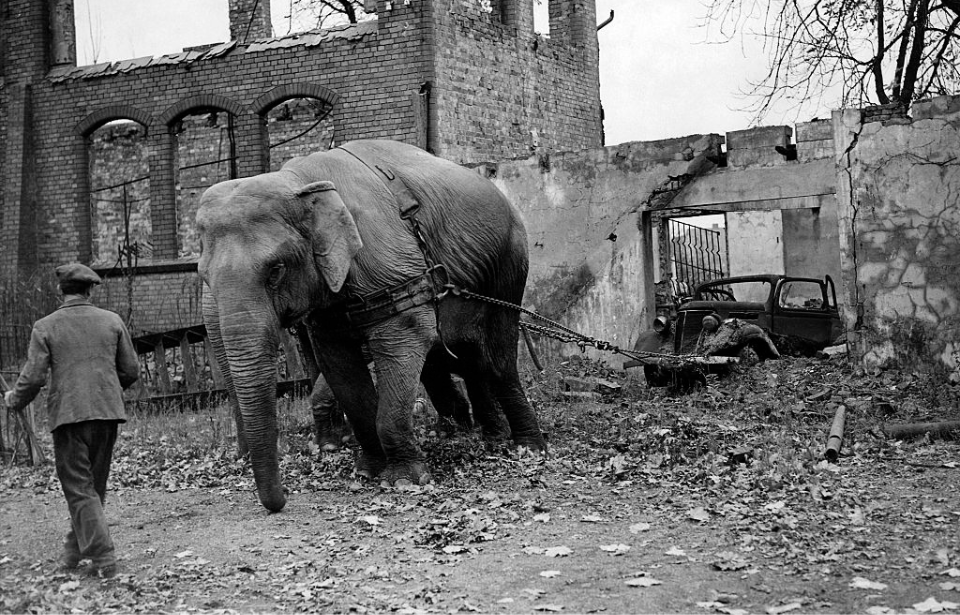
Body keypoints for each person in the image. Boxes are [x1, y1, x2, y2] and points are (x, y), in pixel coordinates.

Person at [3, 263, 139, 578]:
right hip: (107, 413)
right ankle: (72, 552)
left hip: (69, 415)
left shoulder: (45, 326)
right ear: (90, 290)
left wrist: (14, 399)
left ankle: (104, 559)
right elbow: (130, 371)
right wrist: (103, 389)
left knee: (79, 489)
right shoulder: (112, 321)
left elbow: (34, 376)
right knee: (93, 486)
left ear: (61, 291)